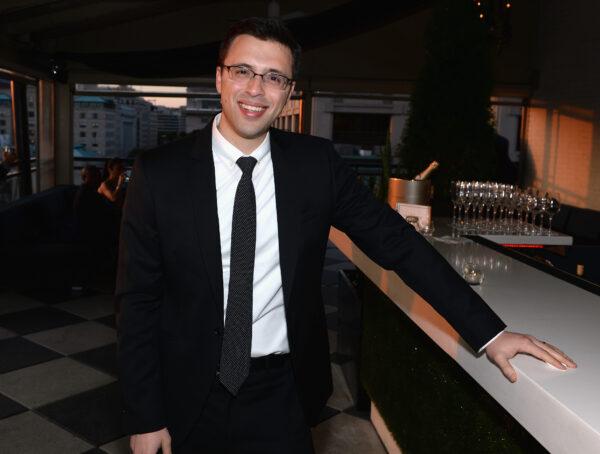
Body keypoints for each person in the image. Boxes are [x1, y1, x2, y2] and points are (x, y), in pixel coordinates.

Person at [116, 17, 576, 454]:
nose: (256, 90)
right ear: (219, 78)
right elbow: (137, 302)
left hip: (283, 393)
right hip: (186, 390)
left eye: (274, 77)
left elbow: (399, 244)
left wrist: (490, 333)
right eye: (243, 71)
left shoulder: (316, 165)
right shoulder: (160, 175)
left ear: (289, 92)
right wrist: (144, 416)